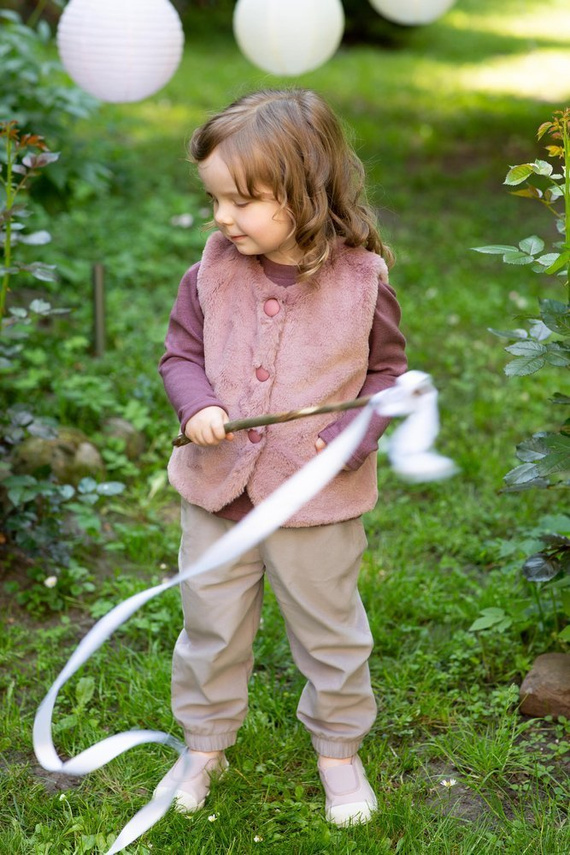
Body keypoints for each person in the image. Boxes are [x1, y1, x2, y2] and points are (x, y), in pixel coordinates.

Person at [157, 88, 407, 827]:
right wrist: (198, 402)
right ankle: (204, 742)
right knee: (211, 621)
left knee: (329, 627)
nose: (222, 218)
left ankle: (338, 749)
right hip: (218, 493)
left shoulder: (363, 283)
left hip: (317, 503)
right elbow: (182, 353)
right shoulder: (209, 272)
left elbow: (387, 378)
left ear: (303, 191)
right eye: (215, 200)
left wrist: (348, 443)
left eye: (242, 200)